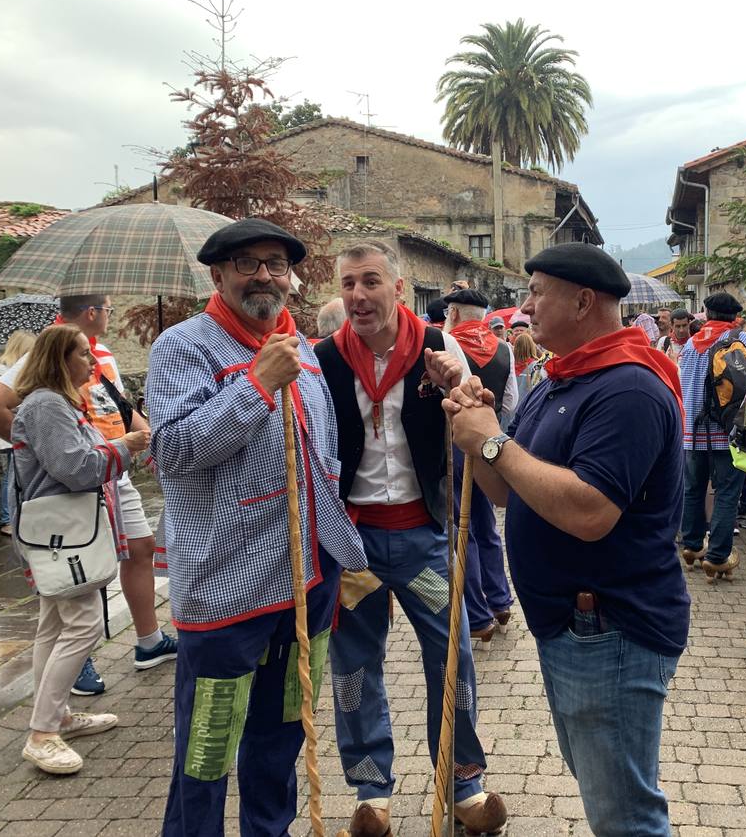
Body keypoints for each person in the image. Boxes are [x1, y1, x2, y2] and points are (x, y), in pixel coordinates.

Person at [444, 241, 689, 836]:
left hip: (609, 628)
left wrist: (494, 442)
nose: (525, 308)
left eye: (537, 293)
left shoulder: (626, 388)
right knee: (604, 785)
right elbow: (507, 491)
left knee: (624, 814)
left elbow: (589, 512)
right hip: (572, 628)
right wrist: (474, 432)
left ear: (582, 301)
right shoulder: (563, 380)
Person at [146, 219, 367, 835]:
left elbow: (324, 453)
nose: (264, 274)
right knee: (208, 750)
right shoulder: (182, 347)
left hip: (305, 581)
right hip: (227, 586)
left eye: (275, 262)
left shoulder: (305, 352)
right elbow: (176, 452)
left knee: (282, 736)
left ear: (291, 278)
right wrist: (256, 383)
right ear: (217, 276)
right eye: (247, 263)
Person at [314, 241, 506, 837]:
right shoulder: (322, 359)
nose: (358, 296)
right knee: (353, 668)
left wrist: (460, 392)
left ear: (398, 289)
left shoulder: (440, 347)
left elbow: (475, 422)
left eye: (370, 282)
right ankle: (372, 791)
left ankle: (464, 782)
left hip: (423, 537)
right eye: (348, 284)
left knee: (451, 659)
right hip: (353, 545)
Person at [0, 295, 176, 695]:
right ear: (92, 313)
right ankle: (78, 658)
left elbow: (118, 407)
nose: (109, 315)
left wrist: (154, 442)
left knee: (139, 547)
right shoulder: (49, 354)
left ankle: (148, 640)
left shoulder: (100, 356)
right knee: (82, 563)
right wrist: (42, 452)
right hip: (81, 479)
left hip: (112, 471)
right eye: (108, 309)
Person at [11, 325, 150, 774]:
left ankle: (57, 717)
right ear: (61, 360)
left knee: (53, 626)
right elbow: (75, 467)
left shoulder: (55, 403)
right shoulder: (48, 405)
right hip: (64, 537)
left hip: (60, 534)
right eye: (83, 355)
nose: (91, 362)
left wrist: (114, 447)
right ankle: (42, 733)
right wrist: (122, 447)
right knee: (85, 626)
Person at [443, 287, 519, 640]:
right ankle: (501, 600)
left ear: (454, 313)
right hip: (490, 442)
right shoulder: (503, 348)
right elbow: (510, 403)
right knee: (487, 523)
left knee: (463, 529)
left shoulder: (444, 344)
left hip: (455, 443)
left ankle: (477, 615)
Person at [677, 292, 746, 579]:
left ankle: (693, 546)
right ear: (734, 316)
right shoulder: (743, 342)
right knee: (727, 492)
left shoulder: (690, 346)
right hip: (728, 431)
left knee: (692, 489)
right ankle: (718, 555)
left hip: (692, 432)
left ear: (706, 314)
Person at [0, 330, 36, 537]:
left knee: (18, 476)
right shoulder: (1, 371)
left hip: (18, 430)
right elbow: (0, 403)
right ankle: (8, 519)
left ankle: (18, 515)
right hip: (9, 432)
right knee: (11, 477)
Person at [513, 331, 547, 399]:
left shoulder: (509, 366)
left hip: (512, 407)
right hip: (527, 406)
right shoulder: (536, 366)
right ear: (531, 346)